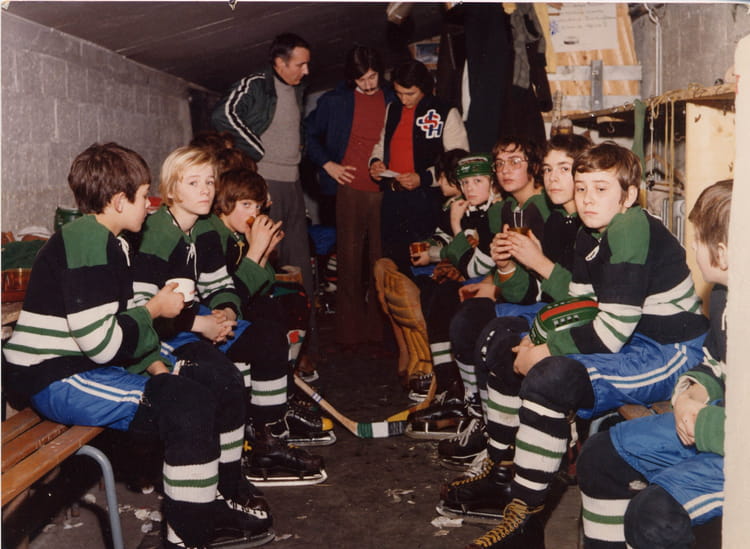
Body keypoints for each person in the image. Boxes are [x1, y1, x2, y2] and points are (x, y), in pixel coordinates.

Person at [2, 143, 274, 548]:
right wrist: (155, 309)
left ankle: (201, 511)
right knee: (187, 407)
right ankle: (189, 533)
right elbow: (102, 342)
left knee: (200, 391)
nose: (150, 205)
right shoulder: (86, 241)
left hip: (83, 365)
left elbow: (124, 329)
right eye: (145, 196)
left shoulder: (113, 241)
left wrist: (159, 367)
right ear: (118, 201)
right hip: (54, 376)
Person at [440, 142, 709, 549]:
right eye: (581, 188)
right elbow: (581, 304)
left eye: (601, 189)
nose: (587, 199)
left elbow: (611, 330)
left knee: (550, 374)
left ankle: (524, 519)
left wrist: (545, 350)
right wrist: (536, 338)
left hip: (670, 352)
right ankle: (513, 496)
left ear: (628, 195)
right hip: (633, 342)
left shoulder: (630, 226)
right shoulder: (590, 232)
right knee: (519, 352)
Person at [132, 146, 327, 487]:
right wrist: (201, 325)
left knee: (268, 339)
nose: (206, 190)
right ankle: (226, 477)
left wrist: (225, 312)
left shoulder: (202, 228)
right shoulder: (157, 233)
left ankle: (266, 438)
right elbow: (144, 311)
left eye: (209, 182)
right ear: (172, 191)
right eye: (193, 183)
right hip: (162, 335)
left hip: (192, 320)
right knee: (226, 379)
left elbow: (220, 285)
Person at [578, 179, 731, 549]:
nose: (692, 248)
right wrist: (691, 393)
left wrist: (703, 422)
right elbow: (714, 362)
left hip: (732, 443)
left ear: (723, 254)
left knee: (653, 517)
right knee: (599, 456)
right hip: (715, 422)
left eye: (698, 241)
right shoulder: (724, 296)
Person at [438, 133, 591, 469]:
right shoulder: (539, 215)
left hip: (569, 317)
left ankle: (501, 448)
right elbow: (520, 284)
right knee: (473, 321)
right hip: (547, 305)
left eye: (563, 169)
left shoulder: (558, 214)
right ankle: (487, 426)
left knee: (493, 334)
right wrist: (504, 268)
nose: (553, 178)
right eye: (500, 164)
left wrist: (503, 276)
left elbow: (577, 296)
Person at [206, 166, 336, 447]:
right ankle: (268, 417)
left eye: (257, 206)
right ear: (225, 203)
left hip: (237, 310)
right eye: (245, 205)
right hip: (216, 319)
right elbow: (231, 294)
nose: (253, 213)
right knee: (267, 324)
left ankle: (279, 398)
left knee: (278, 304)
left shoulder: (237, 234)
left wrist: (262, 253)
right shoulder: (215, 235)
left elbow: (261, 284)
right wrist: (256, 251)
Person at [211, 33, 316, 343]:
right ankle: (272, 344)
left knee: (300, 264)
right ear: (279, 63)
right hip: (267, 183)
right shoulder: (256, 84)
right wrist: (257, 151)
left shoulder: (297, 88)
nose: (306, 71)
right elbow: (222, 114)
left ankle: (306, 348)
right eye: (300, 65)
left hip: (293, 183)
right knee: (269, 265)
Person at [406, 153, 504, 439]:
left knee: (449, 299)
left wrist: (456, 225)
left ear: (492, 183)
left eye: (478, 181)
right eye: (466, 182)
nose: (470, 188)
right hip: (478, 280)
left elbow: (475, 266)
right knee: (437, 295)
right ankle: (450, 386)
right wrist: (440, 249)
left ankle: (461, 394)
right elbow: (452, 248)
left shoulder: (494, 211)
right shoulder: (471, 208)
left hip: (497, 286)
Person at [304, 45, 395, 351]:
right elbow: (307, 133)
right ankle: (349, 334)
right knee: (349, 262)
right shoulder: (335, 100)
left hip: (384, 191)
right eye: (361, 79)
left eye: (372, 77)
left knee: (381, 263)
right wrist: (328, 164)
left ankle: (380, 332)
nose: (368, 84)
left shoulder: (392, 96)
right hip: (349, 189)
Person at [369, 59, 469, 275]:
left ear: (424, 88)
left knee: (421, 264)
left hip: (426, 200)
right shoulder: (393, 108)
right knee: (393, 263)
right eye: (398, 93)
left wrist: (423, 178)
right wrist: (375, 162)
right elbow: (382, 142)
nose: (404, 99)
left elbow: (457, 163)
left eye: (410, 94)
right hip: (393, 198)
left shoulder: (445, 111)